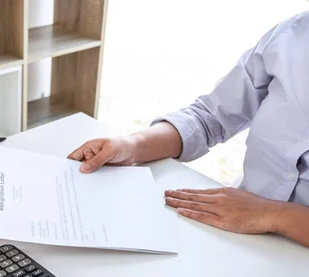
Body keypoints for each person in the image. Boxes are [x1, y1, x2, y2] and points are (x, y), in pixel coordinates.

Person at [69, 13, 309, 248]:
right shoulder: (293, 35)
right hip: (239, 227)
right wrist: (132, 146)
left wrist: (273, 215)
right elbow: (209, 117)